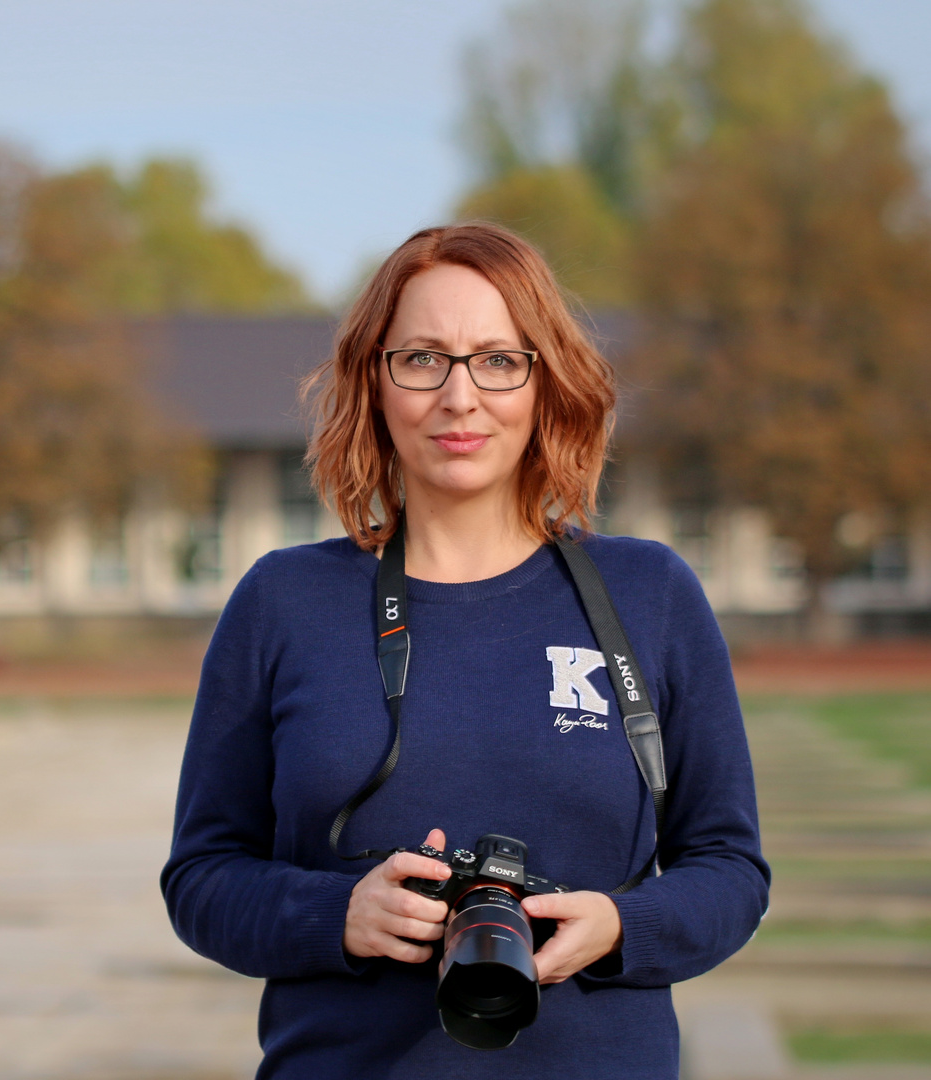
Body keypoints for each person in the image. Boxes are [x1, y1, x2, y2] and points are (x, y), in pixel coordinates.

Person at [161, 222, 769, 1079]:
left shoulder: (649, 594)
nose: (459, 396)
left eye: (497, 359)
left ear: (544, 381)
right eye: (422, 359)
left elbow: (731, 870)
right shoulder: (283, 601)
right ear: (374, 381)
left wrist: (624, 926)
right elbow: (201, 880)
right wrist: (337, 914)